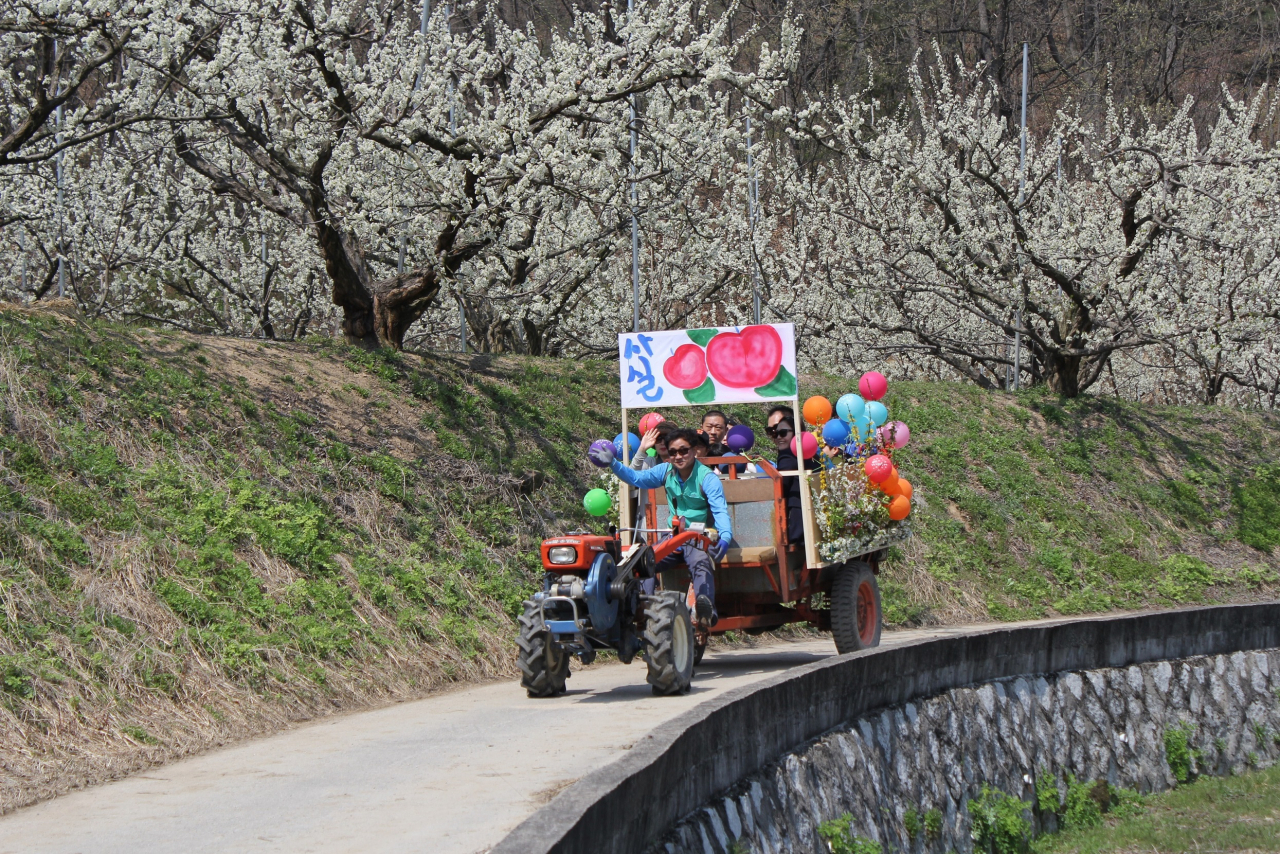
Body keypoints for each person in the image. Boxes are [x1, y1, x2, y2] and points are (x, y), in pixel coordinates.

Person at [590, 428, 732, 625]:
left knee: (701, 562)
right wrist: (613, 463)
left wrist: (725, 537)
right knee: (645, 560)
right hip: (672, 537)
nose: (678, 456)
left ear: (694, 450)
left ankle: (705, 610)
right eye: (673, 452)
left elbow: (720, 511)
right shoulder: (665, 471)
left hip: (696, 537)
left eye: (683, 450)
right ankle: (643, 607)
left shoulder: (708, 478)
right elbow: (636, 478)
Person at [767, 406, 818, 548]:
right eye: (774, 433)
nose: (778, 437)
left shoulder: (788, 455)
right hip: (812, 518)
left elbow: (781, 486)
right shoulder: (811, 452)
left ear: (796, 433)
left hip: (798, 521)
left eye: (782, 433)